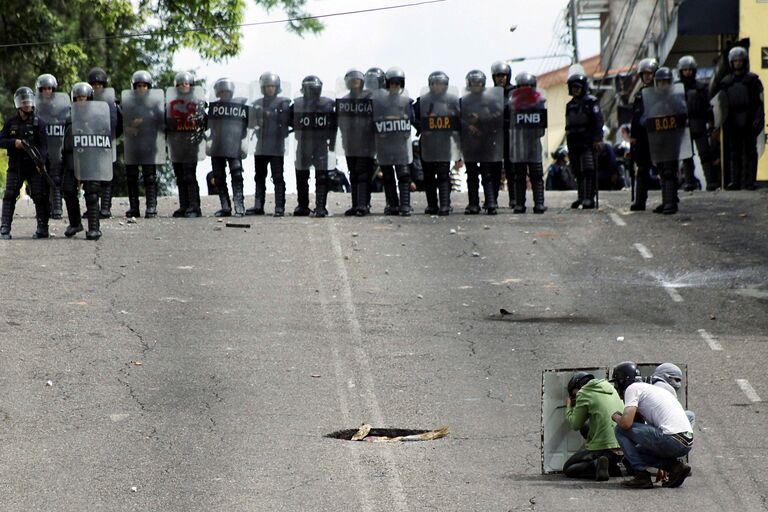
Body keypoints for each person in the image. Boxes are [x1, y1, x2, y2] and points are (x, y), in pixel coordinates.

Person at [610, 361, 693, 489]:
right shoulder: (650, 389)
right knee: (636, 452)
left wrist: (616, 417)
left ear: (622, 381)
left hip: (672, 439)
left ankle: (641, 475)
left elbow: (626, 424)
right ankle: (675, 467)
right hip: (686, 442)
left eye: (616, 382)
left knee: (620, 430)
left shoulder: (632, 388)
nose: (616, 387)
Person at [61, 82, 111, 240]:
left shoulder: (98, 118)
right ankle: (75, 223)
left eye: (83, 98)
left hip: (92, 161)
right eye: (77, 99)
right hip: (72, 161)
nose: (80, 101)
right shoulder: (69, 119)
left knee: (92, 194)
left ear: (89, 98)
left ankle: (94, 228)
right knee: (68, 190)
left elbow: (103, 141)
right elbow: (66, 144)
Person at [0, 87, 49, 239]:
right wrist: (14, 143)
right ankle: (5, 227)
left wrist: (40, 162)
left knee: (40, 196)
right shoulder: (10, 123)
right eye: (24, 103)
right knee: (9, 195)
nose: (28, 105)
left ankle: (42, 228)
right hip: (16, 165)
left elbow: (43, 147)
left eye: (29, 102)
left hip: (34, 166)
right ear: (19, 105)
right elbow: (0, 140)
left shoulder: (39, 123)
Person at [716, 46, 765, 190]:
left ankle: (750, 180)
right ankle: (735, 181)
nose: (737, 63)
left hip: (749, 119)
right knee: (734, 152)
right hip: (732, 120)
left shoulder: (753, 80)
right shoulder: (725, 82)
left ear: (744, 61)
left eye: (740, 60)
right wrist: (722, 121)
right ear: (731, 63)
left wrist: (758, 118)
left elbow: (759, 102)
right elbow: (721, 104)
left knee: (750, 151)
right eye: (735, 61)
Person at [563, 371, 625, 481]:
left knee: (568, 468)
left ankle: (596, 464)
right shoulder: (610, 388)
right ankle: (612, 467)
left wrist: (568, 407)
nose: (575, 397)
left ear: (579, 386)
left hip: (604, 448)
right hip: (622, 446)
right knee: (586, 427)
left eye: (574, 394)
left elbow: (575, 424)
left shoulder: (583, 393)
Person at [413, 71, 460, 215]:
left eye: (441, 84)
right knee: (428, 174)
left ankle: (445, 204)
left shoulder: (452, 101)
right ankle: (432, 205)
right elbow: (412, 116)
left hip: (444, 142)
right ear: (430, 85)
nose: (438, 87)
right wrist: (422, 126)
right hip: (427, 142)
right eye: (435, 84)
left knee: (443, 173)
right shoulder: (422, 101)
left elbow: (459, 118)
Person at [291, 75, 337, 217]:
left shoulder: (328, 105)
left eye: (314, 89)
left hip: (320, 144)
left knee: (322, 176)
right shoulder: (297, 104)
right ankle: (303, 205)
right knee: (301, 175)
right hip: (304, 143)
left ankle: (320, 206)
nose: (312, 91)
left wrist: (333, 146)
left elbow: (334, 125)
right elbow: (287, 121)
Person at [122, 70, 165, 218]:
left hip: (149, 145)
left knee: (150, 177)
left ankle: (151, 206)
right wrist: (129, 127)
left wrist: (147, 120)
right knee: (131, 177)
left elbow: (162, 126)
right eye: (138, 86)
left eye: (144, 86)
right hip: (132, 145)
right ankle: (134, 207)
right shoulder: (127, 105)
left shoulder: (154, 105)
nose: (141, 89)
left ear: (149, 87)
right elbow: (121, 125)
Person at [460, 70, 504, 215]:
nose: (476, 85)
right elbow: (458, 118)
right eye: (473, 83)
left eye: (479, 83)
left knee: (488, 174)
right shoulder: (464, 101)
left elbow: (498, 117)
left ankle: (491, 202)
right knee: (472, 174)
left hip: (486, 140)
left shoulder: (491, 100)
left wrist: (481, 119)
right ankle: (473, 203)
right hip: (470, 142)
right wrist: (469, 125)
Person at [644, 67, 687, 215]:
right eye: (660, 82)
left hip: (671, 139)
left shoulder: (676, 99)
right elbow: (645, 118)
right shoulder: (652, 100)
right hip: (657, 139)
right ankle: (666, 201)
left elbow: (683, 115)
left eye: (666, 82)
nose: (663, 85)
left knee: (669, 171)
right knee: (662, 171)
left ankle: (671, 203)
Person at [248, 72, 291, 217]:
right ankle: (258, 205)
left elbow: (286, 122)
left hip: (276, 146)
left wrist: (270, 115)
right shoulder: (256, 104)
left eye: (272, 86)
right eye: (266, 86)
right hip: (260, 145)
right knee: (259, 177)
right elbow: (251, 124)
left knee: (277, 177)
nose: (269, 89)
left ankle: (279, 206)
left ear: (277, 87)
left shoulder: (283, 103)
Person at [372, 68, 414, 216]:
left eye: (398, 83)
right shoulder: (379, 102)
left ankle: (405, 205)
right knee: (388, 176)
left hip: (401, 144)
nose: (395, 86)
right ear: (387, 84)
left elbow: (412, 119)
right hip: (385, 144)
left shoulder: (406, 101)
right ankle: (393, 205)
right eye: (393, 83)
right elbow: (374, 120)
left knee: (403, 175)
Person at [207, 77, 249, 217]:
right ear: (218, 92)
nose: (224, 94)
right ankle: (225, 206)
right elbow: (208, 126)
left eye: (227, 91)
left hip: (233, 145)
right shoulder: (213, 108)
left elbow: (244, 130)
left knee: (237, 174)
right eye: (222, 91)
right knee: (218, 176)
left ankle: (239, 205)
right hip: (217, 145)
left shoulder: (239, 106)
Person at [337, 69, 376, 216]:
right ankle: (355, 205)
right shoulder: (344, 101)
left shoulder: (370, 98)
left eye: (358, 81)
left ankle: (363, 204)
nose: (355, 84)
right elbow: (340, 121)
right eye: (353, 81)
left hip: (366, 142)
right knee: (353, 174)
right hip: (349, 142)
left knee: (363, 174)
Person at [166, 71, 205, 217]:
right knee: (180, 175)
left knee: (189, 175)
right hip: (176, 143)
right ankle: (184, 205)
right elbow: (166, 122)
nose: (183, 86)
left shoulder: (197, 103)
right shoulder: (171, 104)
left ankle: (195, 206)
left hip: (190, 144)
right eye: (180, 84)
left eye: (186, 84)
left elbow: (203, 122)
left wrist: (197, 137)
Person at [509, 72, 547, 213]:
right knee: (519, 177)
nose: (525, 89)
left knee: (536, 175)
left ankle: (539, 203)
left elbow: (542, 126)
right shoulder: (512, 102)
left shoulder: (539, 101)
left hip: (534, 143)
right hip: (519, 143)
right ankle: (520, 204)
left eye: (527, 86)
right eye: (522, 86)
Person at [565, 73, 603, 209]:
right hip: (574, 142)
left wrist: (598, 139)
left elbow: (598, 121)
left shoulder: (591, 102)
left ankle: (589, 198)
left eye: (577, 87)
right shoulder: (569, 105)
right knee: (577, 171)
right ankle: (581, 198)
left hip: (587, 142)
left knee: (588, 169)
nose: (575, 89)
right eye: (573, 87)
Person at [87, 67, 121, 218]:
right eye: (94, 85)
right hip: (89, 143)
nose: (97, 87)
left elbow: (115, 122)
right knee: (90, 177)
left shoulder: (110, 102)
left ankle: (105, 208)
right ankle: (92, 208)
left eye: (99, 84)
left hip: (105, 142)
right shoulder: (85, 100)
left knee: (106, 177)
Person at [677, 56, 714, 191]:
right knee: (687, 156)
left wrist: (711, 122)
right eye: (685, 70)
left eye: (690, 70)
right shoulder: (677, 88)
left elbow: (708, 106)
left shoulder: (701, 87)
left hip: (699, 122)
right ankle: (689, 182)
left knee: (705, 153)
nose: (688, 72)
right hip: (684, 125)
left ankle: (710, 182)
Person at [34, 73, 68, 220]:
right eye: (44, 89)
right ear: (39, 90)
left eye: (50, 88)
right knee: (41, 179)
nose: (47, 91)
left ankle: (58, 208)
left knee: (55, 178)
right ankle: (44, 209)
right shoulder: (34, 107)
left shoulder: (61, 106)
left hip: (56, 147)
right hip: (40, 148)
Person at [629, 58, 657, 211]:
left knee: (665, 168)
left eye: (650, 73)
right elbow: (635, 117)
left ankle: (670, 198)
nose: (647, 77)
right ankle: (640, 201)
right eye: (644, 74)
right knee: (641, 169)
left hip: (658, 134)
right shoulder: (639, 95)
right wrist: (633, 137)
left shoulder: (661, 91)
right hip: (642, 136)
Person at [491, 60, 516, 209]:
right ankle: (492, 199)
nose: (501, 78)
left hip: (510, 134)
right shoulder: (490, 94)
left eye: (503, 75)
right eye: (498, 76)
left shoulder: (515, 93)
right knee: (494, 169)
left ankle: (514, 199)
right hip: (494, 135)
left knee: (511, 168)